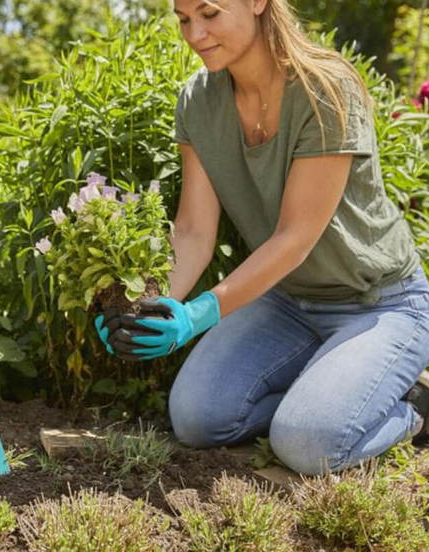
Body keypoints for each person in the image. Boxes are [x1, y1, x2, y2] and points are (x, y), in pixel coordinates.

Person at [95, 0, 429, 476]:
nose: (194, 34)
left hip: (379, 304)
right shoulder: (198, 101)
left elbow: (296, 237)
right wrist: (141, 308)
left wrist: (198, 315)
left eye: (209, 14)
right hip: (289, 302)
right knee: (196, 419)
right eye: (184, 19)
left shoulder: (324, 89)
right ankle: (329, 395)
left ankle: (414, 409)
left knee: (308, 445)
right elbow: (193, 230)